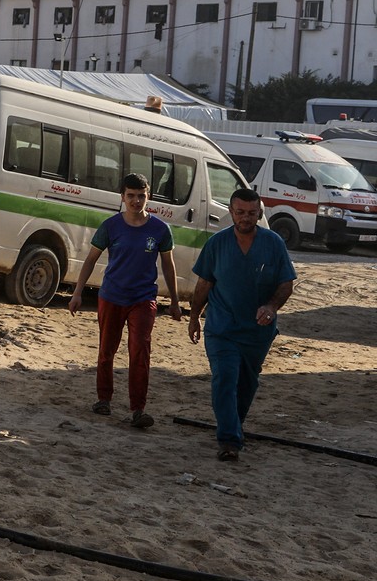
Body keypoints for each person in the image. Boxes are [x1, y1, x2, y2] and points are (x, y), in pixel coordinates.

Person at [189, 187, 296, 461]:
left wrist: (271, 307)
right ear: (230, 212)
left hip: (257, 332)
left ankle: (233, 425)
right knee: (224, 376)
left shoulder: (273, 244)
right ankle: (229, 440)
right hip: (221, 327)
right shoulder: (217, 244)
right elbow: (204, 284)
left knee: (247, 384)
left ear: (259, 213)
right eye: (240, 213)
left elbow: (286, 284)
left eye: (251, 213)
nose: (245, 218)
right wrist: (194, 317)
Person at [68, 173, 181, 429]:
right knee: (106, 350)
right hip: (111, 296)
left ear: (148, 196)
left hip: (143, 299)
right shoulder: (110, 226)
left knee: (140, 351)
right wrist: (77, 292)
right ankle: (103, 399)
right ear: (122, 197)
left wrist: (174, 301)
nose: (136, 201)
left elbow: (168, 265)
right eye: (130, 196)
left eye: (141, 196)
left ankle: (138, 409)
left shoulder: (160, 230)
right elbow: (91, 259)